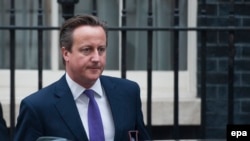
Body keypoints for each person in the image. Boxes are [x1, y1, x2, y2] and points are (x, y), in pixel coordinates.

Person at [14, 14, 151, 141]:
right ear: (66, 53)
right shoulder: (37, 107)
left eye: (101, 49)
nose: (96, 58)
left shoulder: (128, 92)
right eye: (87, 50)